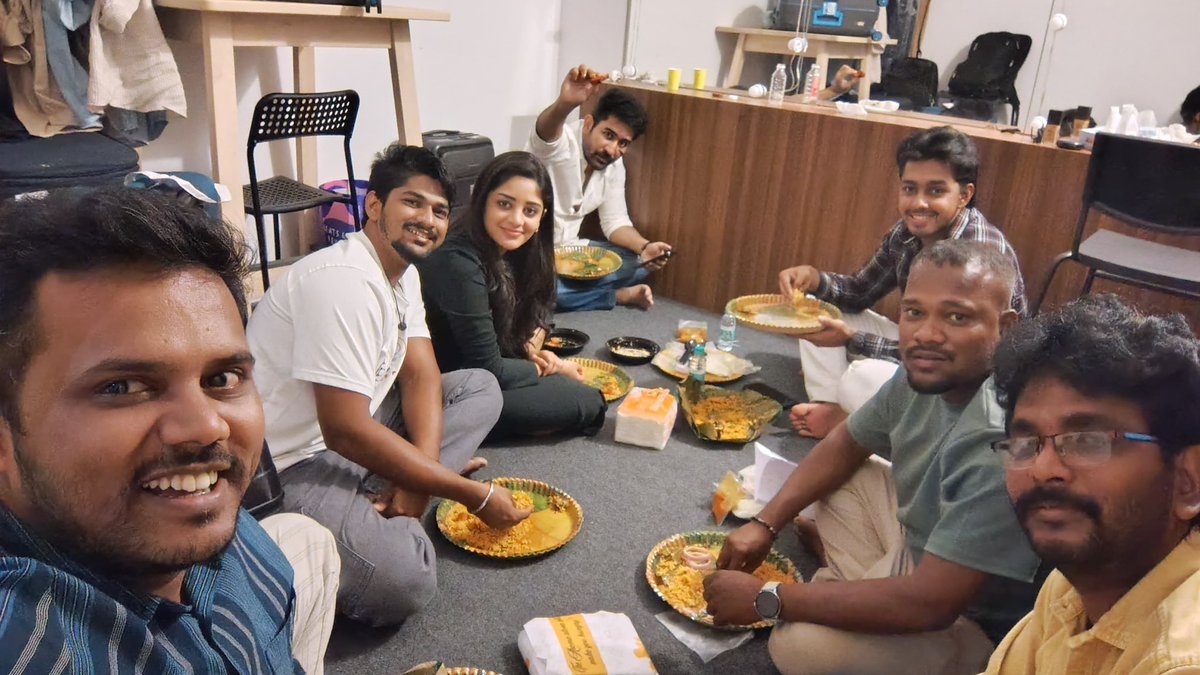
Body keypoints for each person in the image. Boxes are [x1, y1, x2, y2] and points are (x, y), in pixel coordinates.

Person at [0, 187, 339, 673]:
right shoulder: (36, 646)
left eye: (221, 378)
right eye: (121, 386)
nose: (207, 427)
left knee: (311, 539)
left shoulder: (176, 507)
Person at [706, 240, 1041, 675]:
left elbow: (933, 605)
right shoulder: (924, 372)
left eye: (957, 317)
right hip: (924, 551)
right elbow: (845, 442)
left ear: (1007, 327)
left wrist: (767, 598)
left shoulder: (1000, 443)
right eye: (914, 312)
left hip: (965, 617)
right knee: (841, 477)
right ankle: (863, 597)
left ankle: (873, 607)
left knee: (798, 648)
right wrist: (765, 524)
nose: (926, 334)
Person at [246, 143, 531, 627]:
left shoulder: (402, 274)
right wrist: (470, 494)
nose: (427, 220)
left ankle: (393, 488)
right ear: (374, 205)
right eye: (412, 202)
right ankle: (379, 502)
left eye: (439, 211)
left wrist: (421, 477)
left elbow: (421, 374)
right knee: (407, 579)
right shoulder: (342, 280)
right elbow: (343, 430)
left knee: (479, 388)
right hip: (293, 463)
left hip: (358, 427)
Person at [983, 294, 1200, 674]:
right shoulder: (1073, 586)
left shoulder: (1181, 660)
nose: (1043, 469)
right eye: (1026, 443)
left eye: (1086, 441)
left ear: (1190, 481)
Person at [778, 125, 1027, 439]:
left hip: (969, 386)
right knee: (815, 311)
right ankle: (830, 406)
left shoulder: (975, 255)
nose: (918, 203)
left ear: (964, 195)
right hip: (925, 350)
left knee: (861, 378)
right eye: (910, 189)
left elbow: (952, 357)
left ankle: (855, 421)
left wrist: (852, 340)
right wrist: (815, 279)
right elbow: (859, 292)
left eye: (935, 191)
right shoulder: (906, 233)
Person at [418, 151, 608, 439]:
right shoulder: (458, 261)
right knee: (587, 401)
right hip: (447, 388)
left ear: (542, 216)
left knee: (575, 391)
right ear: (482, 200)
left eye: (530, 211)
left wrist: (531, 351)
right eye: (504, 204)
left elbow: (541, 308)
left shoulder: (518, 250)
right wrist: (545, 369)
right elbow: (487, 367)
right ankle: (448, 431)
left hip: (484, 374)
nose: (516, 220)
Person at [528, 65, 672, 311]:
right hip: (532, 256)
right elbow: (544, 134)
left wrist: (645, 247)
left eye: (623, 143)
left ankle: (578, 292)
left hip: (571, 253)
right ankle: (614, 296)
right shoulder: (560, 143)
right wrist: (565, 104)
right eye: (608, 135)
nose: (612, 150)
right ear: (588, 124)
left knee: (638, 263)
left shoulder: (614, 165)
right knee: (543, 290)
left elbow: (615, 222)